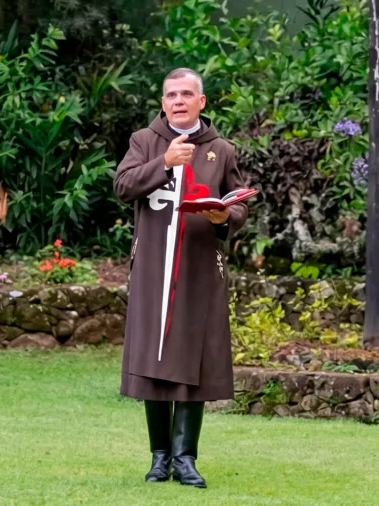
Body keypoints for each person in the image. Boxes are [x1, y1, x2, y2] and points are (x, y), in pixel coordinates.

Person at [113, 68, 249, 488]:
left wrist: (226, 216)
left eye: (186, 94)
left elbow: (239, 202)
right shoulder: (144, 141)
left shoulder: (221, 149)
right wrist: (164, 163)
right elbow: (123, 186)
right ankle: (159, 458)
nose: (178, 101)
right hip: (154, 266)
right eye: (171, 95)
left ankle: (185, 458)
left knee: (194, 358)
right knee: (153, 360)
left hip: (199, 268)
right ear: (163, 102)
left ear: (201, 102)